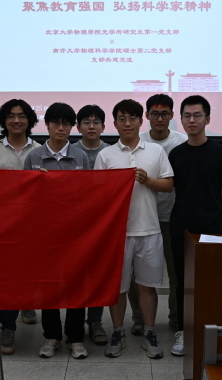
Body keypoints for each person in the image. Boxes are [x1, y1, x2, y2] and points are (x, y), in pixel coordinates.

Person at [95, 99, 174, 360]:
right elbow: (97, 193)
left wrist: (148, 180)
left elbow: (168, 185)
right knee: (117, 288)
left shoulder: (155, 151)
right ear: (114, 123)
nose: (127, 123)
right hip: (116, 234)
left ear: (141, 121)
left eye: (132, 118)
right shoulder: (106, 155)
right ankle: (118, 332)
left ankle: (149, 332)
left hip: (149, 230)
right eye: (122, 118)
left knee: (147, 287)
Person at [23, 102, 91, 360]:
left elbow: (88, 194)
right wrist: (35, 183)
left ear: (72, 127)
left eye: (66, 123)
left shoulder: (81, 157)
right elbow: (23, 199)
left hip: (75, 233)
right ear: (47, 125)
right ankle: (51, 336)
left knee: (76, 284)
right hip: (45, 233)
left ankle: (75, 337)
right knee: (49, 285)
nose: (60, 128)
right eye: (56, 123)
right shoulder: (34, 157)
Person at [168, 95, 222, 356]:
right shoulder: (176, 153)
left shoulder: (221, 153)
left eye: (197, 115)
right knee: (183, 280)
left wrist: (207, 207)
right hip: (180, 225)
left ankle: (209, 330)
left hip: (212, 227)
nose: (192, 120)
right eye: (187, 115)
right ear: (181, 120)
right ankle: (184, 331)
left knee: (210, 280)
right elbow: (175, 188)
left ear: (207, 119)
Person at [128, 94, 186, 334]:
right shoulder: (136, 141)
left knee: (176, 272)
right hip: (141, 218)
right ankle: (139, 319)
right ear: (147, 116)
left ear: (171, 116)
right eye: (154, 114)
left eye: (164, 114)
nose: (159, 119)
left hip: (173, 217)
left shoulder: (182, 142)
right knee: (136, 275)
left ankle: (176, 319)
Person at [0, 99, 41, 354]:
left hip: (33, 224)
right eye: (11, 116)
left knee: (31, 270)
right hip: (4, 224)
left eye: (21, 116)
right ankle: (7, 326)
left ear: (29, 120)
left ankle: (27, 303)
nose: (16, 120)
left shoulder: (40, 150)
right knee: (6, 276)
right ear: (2, 120)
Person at [73, 104, 109, 346]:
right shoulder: (72, 152)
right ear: (78, 127)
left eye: (96, 122)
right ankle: (75, 323)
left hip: (103, 223)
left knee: (97, 273)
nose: (91, 126)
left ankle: (95, 321)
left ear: (104, 126)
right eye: (86, 122)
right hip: (76, 224)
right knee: (77, 273)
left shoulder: (111, 151)